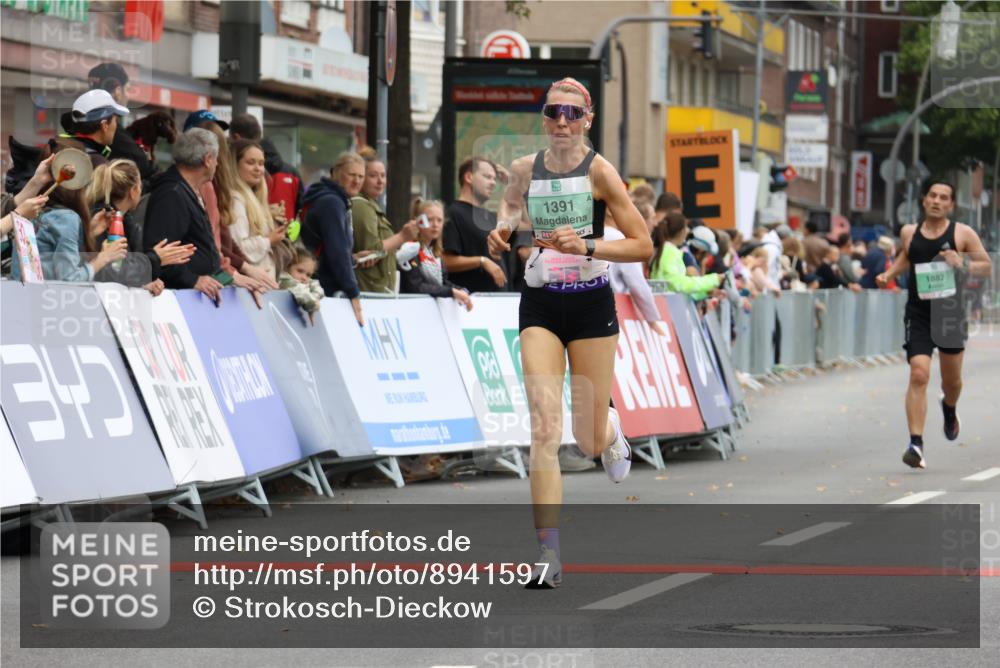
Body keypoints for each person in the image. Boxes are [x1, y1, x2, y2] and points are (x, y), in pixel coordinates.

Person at [486, 77, 652, 589]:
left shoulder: (601, 173)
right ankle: (548, 555)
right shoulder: (523, 170)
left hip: (589, 304)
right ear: (544, 117)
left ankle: (609, 425)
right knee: (543, 428)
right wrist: (502, 229)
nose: (562, 122)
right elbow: (512, 212)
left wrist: (586, 247)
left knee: (587, 441)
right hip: (539, 303)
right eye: (554, 112)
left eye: (572, 114)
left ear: (587, 121)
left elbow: (643, 246)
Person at [876, 181, 992, 469]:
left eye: (944, 198)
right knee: (918, 374)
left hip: (950, 313)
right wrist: (888, 273)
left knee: (951, 382)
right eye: (933, 196)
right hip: (918, 314)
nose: (937, 201)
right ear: (924, 201)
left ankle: (949, 408)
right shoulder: (909, 232)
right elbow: (908, 256)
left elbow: (987, 266)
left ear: (951, 205)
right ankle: (916, 443)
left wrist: (961, 262)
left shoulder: (963, 233)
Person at [11, 140, 126, 282]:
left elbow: (46, 260)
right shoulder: (66, 219)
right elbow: (69, 279)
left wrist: (89, 231)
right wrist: (103, 258)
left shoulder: (28, 211)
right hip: (42, 301)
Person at [86, 159, 194, 294]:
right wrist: (155, 260)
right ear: (133, 191)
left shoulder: (122, 221)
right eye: (140, 185)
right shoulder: (105, 222)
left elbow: (121, 270)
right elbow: (114, 271)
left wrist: (145, 281)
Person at [143, 128, 226, 301]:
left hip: (191, 296)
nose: (217, 164)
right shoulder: (172, 193)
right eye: (216, 158)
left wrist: (234, 278)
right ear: (208, 159)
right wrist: (192, 279)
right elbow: (161, 252)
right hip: (176, 298)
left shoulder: (185, 189)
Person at [300, 151, 367, 325]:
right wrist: (353, 292)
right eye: (352, 174)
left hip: (316, 282)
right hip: (323, 288)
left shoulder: (332, 199)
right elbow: (337, 251)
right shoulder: (332, 202)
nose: (357, 180)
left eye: (361, 176)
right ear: (335, 173)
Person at [351, 149, 419, 293]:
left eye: (383, 175)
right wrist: (402, 237)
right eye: (373, 176)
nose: (380, 181)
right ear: (362, 177)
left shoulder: (370, 205)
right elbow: (372, 253)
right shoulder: (361, 206)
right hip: (369, 290)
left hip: (377, 289)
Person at [443, 156, 509, 293]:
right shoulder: (452, 213)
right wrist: (482, 261)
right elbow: (443, 261)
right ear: (469, 177)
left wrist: (512, 184)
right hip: (471, 304)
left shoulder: (490, 216)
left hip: (501, 303)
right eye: (487, 177)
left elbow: (514, 210)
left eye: (494, 179)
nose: (493, 183)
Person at [398, 198, 474, 311]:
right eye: (430, 220)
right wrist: (452, 292)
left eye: (439, 220)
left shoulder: (435, 253)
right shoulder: (409, 249)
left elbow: (442, 282)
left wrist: (461, 290)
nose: (435, 225)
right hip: (410, 311)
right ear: (418, 221)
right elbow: (415, 287)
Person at [87, 62, 158, 181]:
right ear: (117, 92)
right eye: (128, 89)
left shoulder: (80, 124)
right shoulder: (114, 135)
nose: (128, 96)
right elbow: (148, 171)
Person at [230, 139, 288, 281]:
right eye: (251, 162)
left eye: (261, 163)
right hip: (248, 286)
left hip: (260, 286)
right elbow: (238, 247)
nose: (258, 169)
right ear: (234, 165)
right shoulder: (235, 199)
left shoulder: (254, 198)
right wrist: (269, 240)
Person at [649, 212, 721, 299]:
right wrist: (714, 279)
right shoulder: (669, 253)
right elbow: (678, 284)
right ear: (681, 231)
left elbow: (677, 289)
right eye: (686, 227)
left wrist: (706, 293)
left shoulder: (670, 251)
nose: (688, 230)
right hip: (668, 308)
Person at [61, 89, 129, 168]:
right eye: (115, 120)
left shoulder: (57, 146)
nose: (116, 125)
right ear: (105, 125)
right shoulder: (99, 166)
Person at [278, 244, 325, 324]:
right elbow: (303, 293)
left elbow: (315, 285)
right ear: (287, 267)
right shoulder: (285, 279)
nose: (304, 277)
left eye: (308, 274)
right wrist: (314, 305)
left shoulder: (303, 280)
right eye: (300, 271)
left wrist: (314, 296)